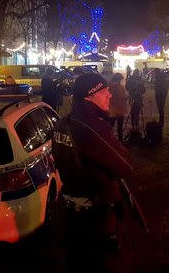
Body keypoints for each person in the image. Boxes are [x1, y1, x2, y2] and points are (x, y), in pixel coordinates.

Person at [52, 73, 133, 272]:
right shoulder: (92, 127)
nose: (109, 96)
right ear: (89, 97)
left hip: (70, 208)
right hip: (94, 215)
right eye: (104, 92)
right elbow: (125, 166)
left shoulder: (64, 123)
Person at [108, 73, 128, 142]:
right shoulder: (119, 87)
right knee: (119, 126)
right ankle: (120, 140)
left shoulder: (109, 86)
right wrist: (126, 96)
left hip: (111, 109)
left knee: (110, 126)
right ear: (119, 79)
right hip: (119, 109)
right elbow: (122, 96)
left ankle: (109, 140)